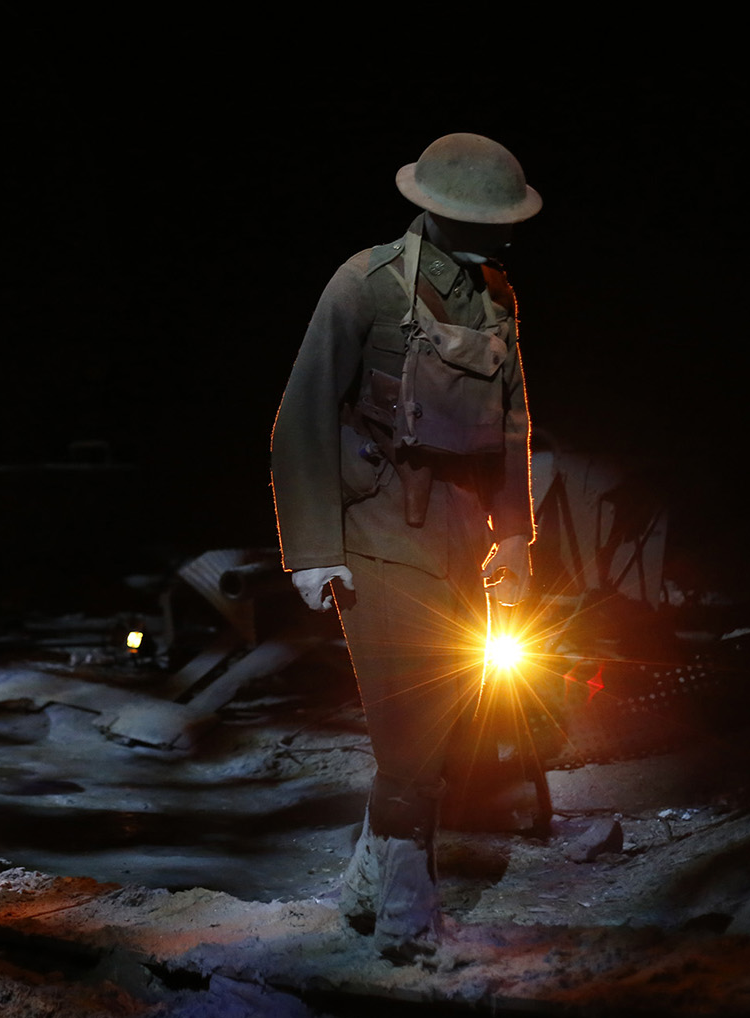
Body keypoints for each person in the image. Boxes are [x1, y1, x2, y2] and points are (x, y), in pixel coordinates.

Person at [269, 133, 540, 962]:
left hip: (459, 538)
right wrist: (313, 549)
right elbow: (301, 417)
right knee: (409, 738)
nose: (495, 234)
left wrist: (516, 538)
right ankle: (405, 921)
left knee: (441, 727)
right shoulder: (367, 285)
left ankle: (365, 891)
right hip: (381, 531)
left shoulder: (496, 297)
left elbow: (512, 423)